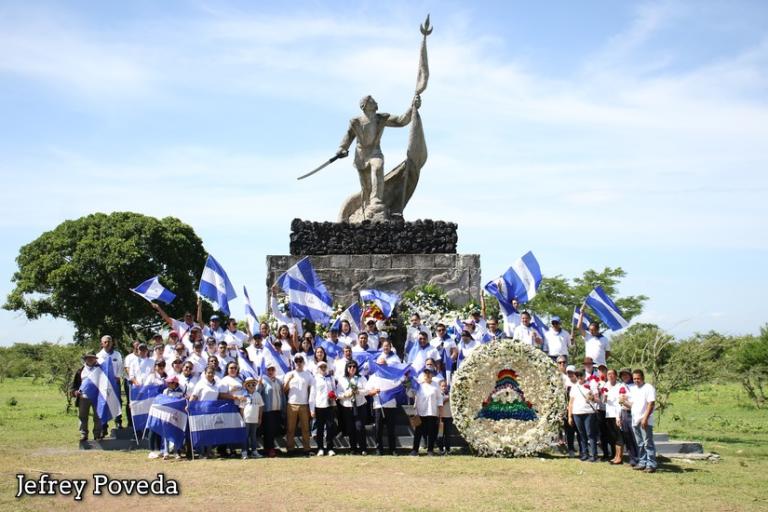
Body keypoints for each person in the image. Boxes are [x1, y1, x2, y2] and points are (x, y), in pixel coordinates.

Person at [337, 93, 421, 218]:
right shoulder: (356, 122)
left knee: (377, 167)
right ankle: (365, 208)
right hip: (361, 156)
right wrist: (342, 148)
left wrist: (413, 107)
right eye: (372, 101)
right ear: (364, 106)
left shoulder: (381, 118)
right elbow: (348, 137)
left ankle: (376, 200)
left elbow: (401, 121)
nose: (376, 102)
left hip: (375, 153)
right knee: (366, 186)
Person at [189, 366, 237, 458]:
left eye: (212, 373)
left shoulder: (216, 385)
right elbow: (194, 396)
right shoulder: (200, 384)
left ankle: (209, 452)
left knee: (210, 432)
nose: (210, 374)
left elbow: (220, 396)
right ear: (205, 373)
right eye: (209, 373)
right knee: (202, 433)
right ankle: (202, 453)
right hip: (201, 412)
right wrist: (189, 405)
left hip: (212, 412)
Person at [625, 369, 657, 472]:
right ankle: (642, 462)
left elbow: (651, 404)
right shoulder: (634, 389)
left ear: (642, 378)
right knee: (640, 443)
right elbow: (632, 405)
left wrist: (645, 418)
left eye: (638, 378)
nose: (636, 380)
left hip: (644, 420)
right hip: (635, 420)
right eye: (634, 378)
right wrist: (623, 402)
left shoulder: (648, 388)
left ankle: (651, 464)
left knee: (648, 443)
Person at [409, 366, 444, 456]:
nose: (427, 375)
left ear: (432, 375)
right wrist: (408, 385)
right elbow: (410, 394)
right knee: (418, 432)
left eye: (429, 373)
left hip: (432, 412)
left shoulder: (436, 385)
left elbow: (440, 399)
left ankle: (430, 450)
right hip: (420, 412)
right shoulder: (419, 385)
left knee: (432, 432)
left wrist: (441, 414)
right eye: (426, 373)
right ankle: (415, 450)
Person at [283, 355, 313, 456]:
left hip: (304, 404)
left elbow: (311, 389)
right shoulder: (289, 374)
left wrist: (310, 403)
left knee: (305, 428)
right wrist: (288, 380)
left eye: (300, 361)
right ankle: (290, 449)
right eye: (296, 361)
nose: (299, 363)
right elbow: (284, 390)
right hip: (292, 404)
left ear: (303, 362)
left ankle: (307, 449)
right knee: (290, 428)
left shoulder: (308, 374)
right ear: (294, 363)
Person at [336, 360, 369, 455]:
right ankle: (352, 448)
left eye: (354, 366)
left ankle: (363, 448)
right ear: (347, 368)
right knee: (350, 428)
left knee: (360, 427)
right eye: (350, 366)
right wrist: (346, 395)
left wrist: (358, 392)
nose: (352, 368)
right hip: (347, 406)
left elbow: (367, 390)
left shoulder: (361, 378)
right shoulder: (342, 379)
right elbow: (338, 393)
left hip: (360, 405)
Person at [70, 352, 102, 441]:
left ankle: (97, 434)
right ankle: (83, 434)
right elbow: (74, 385)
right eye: (88, 358)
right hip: (83, 397)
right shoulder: (80, 371)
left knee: (98, 416)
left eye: (92, 358)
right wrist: (75, 392)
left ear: (95, 359)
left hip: (97, 397)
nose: (90, 359)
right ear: (85, 359)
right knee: (83, 416)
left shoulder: (100, 369)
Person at [568, 369, 599, 462]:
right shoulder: (574, 387)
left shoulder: (591, 385)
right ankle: (585, 454)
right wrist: (570, 416)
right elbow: (570, 403)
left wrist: (592, 397)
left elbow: (597, 399)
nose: (579, 378)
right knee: (581, 434)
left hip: (588, 412)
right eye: (577, 376)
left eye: (581, 375)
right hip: (577, 413)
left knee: (590, 434)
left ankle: (593, 454)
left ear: (585, 375)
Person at [96, 335, 123, 433]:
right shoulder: (99, 355)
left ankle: (118, 422)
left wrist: (118, 376)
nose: (107, 344)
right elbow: (98, 370)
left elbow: (120, 366)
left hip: (115, 382)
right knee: (104, 403)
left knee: (117, 401)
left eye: (109, 342)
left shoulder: (117, 354)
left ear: (112, 343)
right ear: (102, 343)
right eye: (105, 342)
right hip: (103, 383)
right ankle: (104, 426)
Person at [309, 361, 337, 456]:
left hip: (329, 406)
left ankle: (330, 448)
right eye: (321, 367)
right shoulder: (315, 379)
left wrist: (334, 396)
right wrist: (312, 409)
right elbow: (312, 394)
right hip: (319, 406)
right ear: (318, 368)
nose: (323, 368)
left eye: (324, 366)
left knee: (330, 428)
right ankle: (320, 448)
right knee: (319, 429)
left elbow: (334, 390)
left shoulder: (331, 378)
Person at [260, 363, 286, 458]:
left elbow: (282, 395)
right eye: (268, 370)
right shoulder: (263, 381)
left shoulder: (279, 381)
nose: (270, 372)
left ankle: (270, 448)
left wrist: (283, 408)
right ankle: (270, 449)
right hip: (267, 410)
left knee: (274, 430)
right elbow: (258, 394)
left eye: (272, 370)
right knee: (268, 431)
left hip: (277, 410)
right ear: (266, 371)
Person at [602, 369, 625, 465]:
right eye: (608, 374)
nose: (610, 376)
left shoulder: (620, 386)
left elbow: (621, 401)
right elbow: (604, 401)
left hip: (618, 414)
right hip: (608, 414)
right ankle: (615, 455)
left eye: (612, 374)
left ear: (616, 376)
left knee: (619, 436)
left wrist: (618, 416)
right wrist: (605, 396)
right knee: (613, 436)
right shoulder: (605, 385)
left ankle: (619, 457)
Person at [160, 376, 186, 460]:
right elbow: (163, 402)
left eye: (169, 382)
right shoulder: (165, 391)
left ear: (174, 383)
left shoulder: (182, 390)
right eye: (167, 382)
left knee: (177, 433)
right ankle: (166, 452)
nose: (167, 384)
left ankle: (177, 452)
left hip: (178, 415)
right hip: (167, 415)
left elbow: (184, 401)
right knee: (166, 433)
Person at [617, 367, 639, 466]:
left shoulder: (635, 386)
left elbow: (637, 400)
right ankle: (632, 458)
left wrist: (627, 399)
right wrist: (618, 416)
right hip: (623, 413)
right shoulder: (621, 385)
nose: (624, 376)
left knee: (635, 436)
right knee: (627, 436)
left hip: (633, 413)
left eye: (626, 374)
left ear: (630, 375)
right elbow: (617, 403)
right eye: (622, 375)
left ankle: (640, 457)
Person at [240, 377, 265, 459]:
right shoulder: (244, 396)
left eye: (253, 384)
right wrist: (242, 419)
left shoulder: (258, 395)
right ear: (246, 386)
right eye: (249, 385)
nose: (251, 386)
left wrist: (260, 418)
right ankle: (244, 452)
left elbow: (261, 407)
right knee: (245, 436)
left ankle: (254, 451)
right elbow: (242, 408)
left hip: (254, 419)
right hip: (246, 420)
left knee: (253, 436)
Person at [561, 363, 578, 457]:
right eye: (568, 373)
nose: (570, 374)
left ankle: (583, 450)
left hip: (579, 409)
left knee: (579, 431)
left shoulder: (579, 383)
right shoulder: (566, 384)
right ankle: (570, 449)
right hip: (568, 409)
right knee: (569, 431)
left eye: (572, 372)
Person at [436, 379, 453, 455]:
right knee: (440, 434)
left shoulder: (450, 394)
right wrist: (446, 399)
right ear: (439, 387)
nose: (444, 387)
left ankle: (448, 449)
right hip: (440, 417)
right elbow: (439, 404)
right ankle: (440, 449)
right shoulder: (438, 395)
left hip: (448, 417)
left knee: (448, 434)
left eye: (445, 386)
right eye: (442, 386)